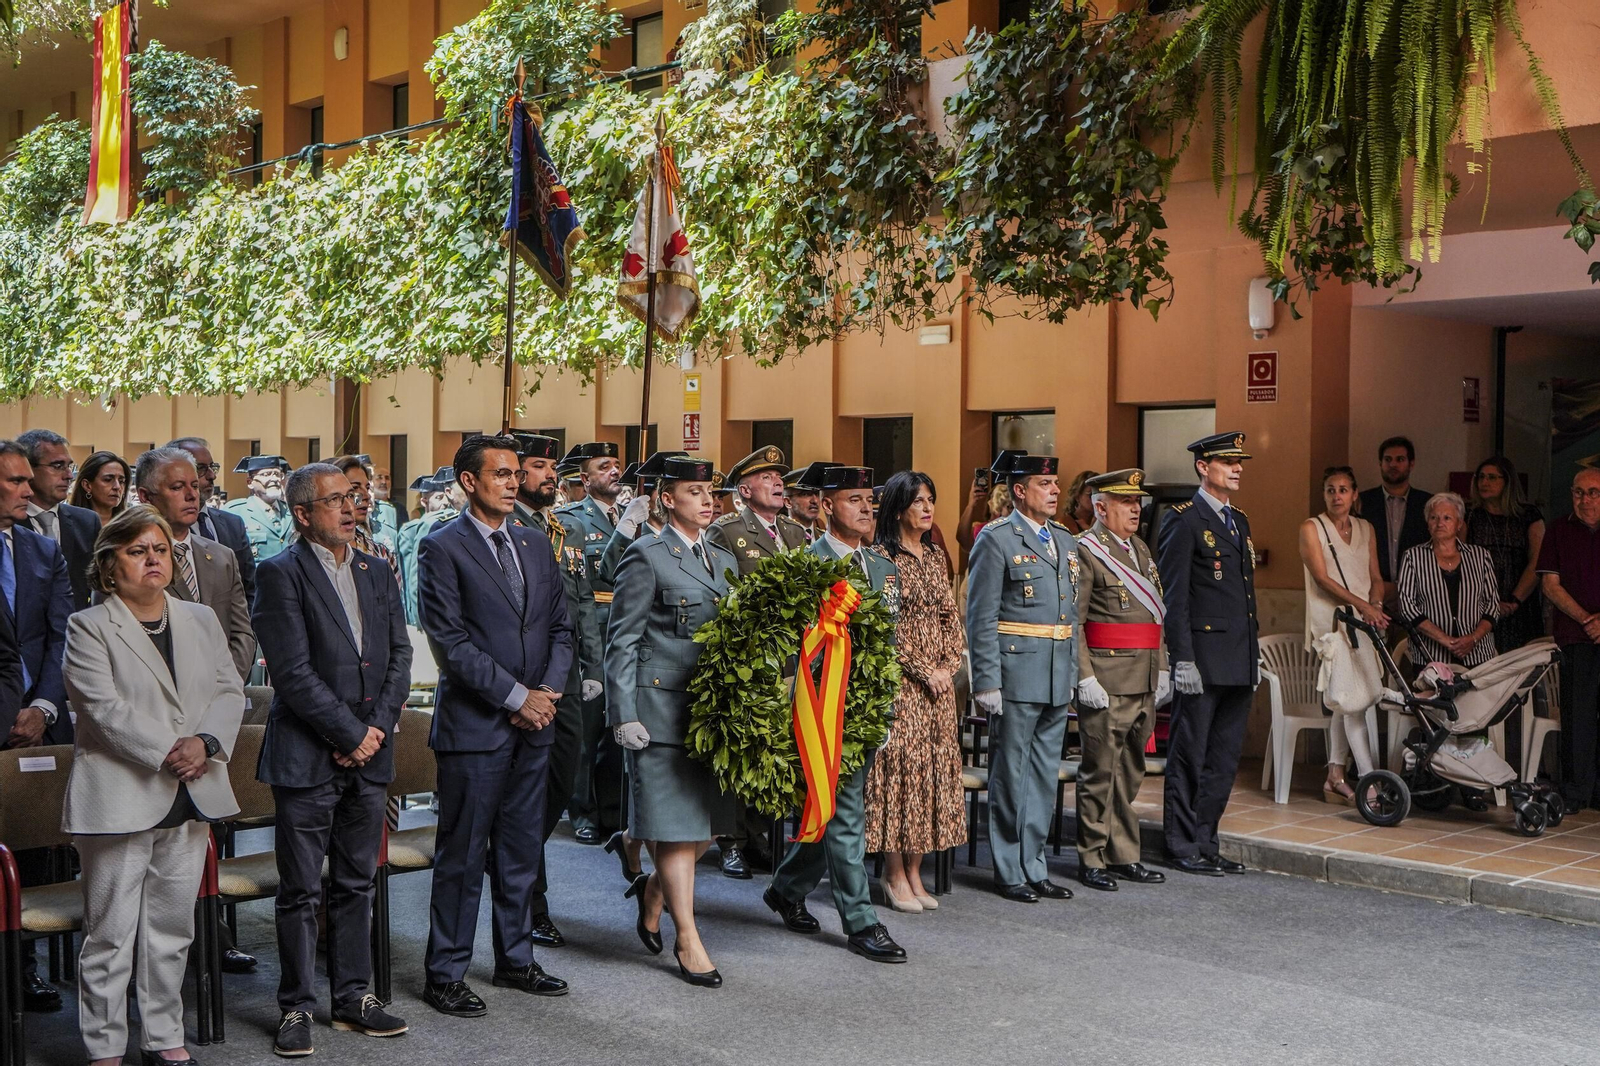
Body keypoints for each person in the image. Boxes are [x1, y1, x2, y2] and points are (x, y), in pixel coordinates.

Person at [62, 506, 245, 1066]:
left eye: (160, 550)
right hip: (120, 794)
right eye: (137, 551)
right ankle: (104, 1046)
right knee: (110, 935)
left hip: (192, 790)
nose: (152, 560)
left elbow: (229, 690)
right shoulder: (89, 626)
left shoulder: (198, 618)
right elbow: (103, 710)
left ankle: (164, 1037)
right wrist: (174, 750)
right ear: (109, 566)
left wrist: (207, 744)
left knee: (171, 928)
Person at [253, 463, 412, 1056]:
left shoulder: (376, 568)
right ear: (302, 514)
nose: (351, 508)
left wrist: (376, 729)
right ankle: (296, 1005)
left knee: (356, 881)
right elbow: (291, 673)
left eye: (353, 497)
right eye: (335, 501)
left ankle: (353, 997)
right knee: (300, 890)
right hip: (308, 756)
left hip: (371, 752)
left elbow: (399, 653)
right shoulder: (279, 574)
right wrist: (349, 733)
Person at [417, 435, 573, 1017]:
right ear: (468, 481)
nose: (513, 482)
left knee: (520, 851)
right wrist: (517, 696)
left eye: (515, 474)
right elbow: (451, 645)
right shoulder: (442, 548)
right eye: (501, 474)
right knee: (462, 854)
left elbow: (561, 628)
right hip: (477, 728)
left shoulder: (535, 544)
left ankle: (515, 958)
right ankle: (446, 973)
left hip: (537, 723)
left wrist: (546, 694)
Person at [605, 456, 737, 987]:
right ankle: (688, 938)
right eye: (693, 492)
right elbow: (623, 639)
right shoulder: (646, 556)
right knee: (680, 834)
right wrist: (623, 713)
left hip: (712, 714)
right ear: (666, 499)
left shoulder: (723, 560)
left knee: (705, 829)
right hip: (660, 711)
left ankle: (655, 888)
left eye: (710, 492)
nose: (707, 500)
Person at [765, 465, 906, 961]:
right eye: (854, 500)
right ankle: (861, 921)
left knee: (829, 808)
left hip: (865, 707)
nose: (867, 509)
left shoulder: (884, 568)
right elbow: (789, 645)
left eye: (870, 500)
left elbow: (887, 646)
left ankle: (785, 888)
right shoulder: (806, 565)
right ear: (826, 507)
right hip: (819, 705)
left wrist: (884, 712)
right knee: (847, 812)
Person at [966, 452, 1077, 903]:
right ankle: (1009, 868)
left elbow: (1071, 613)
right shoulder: (996, 539)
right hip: (1015, 673)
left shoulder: (1065, 541)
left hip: (1053, 673)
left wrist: (1072, 673)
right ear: (1018, 491)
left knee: (1043, 775)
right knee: (1010, 774)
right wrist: (986, 681)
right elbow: (981, 616)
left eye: (1055, 484)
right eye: (1044, 484)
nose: (1054, 491)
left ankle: (1035, 865)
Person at [510, 432, 602, 947]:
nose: (550, 474)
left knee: (560, 784)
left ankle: (509, 858)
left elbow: (582, 599)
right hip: (525, 680)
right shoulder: (509, 528)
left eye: (552, 466)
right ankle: (529, 899)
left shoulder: (557, 527)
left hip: (565, 675)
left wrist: (590, 665)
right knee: (527, 793)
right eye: (540, 465)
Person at [862, 470, 966, 910]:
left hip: (940, 689)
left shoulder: (936, 555)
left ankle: (916, 873)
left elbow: (949, 616)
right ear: (899, 507)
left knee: (933, 777)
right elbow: (885, 628)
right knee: (901, 777)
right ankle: (893, 873)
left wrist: (950, 665)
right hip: (902, 684)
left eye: (931, 500)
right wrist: (925, 669)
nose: (928, 508)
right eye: (919, 501)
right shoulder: (881, 558)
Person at [1157, 432, 1260, 877]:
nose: (1237, 468)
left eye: (1240, 462)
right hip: (1201, 660)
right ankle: (1181, 844)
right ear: (1203, 466)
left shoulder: (1239, 520)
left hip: (1237, 658)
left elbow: (1246, 599)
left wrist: (1252, 657)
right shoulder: (1184, 519)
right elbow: (1174, 598)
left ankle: (1206, 839)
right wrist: (1182, 659)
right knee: (1189, 755)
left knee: (1223, 759)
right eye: (1227, 461)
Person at [707, 445, 808, 878]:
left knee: (773, 749)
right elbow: (722, 595)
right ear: (744, 491)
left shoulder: (795, 533)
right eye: (767, 478)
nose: (777, 483)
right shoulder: (727, 532)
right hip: (747, 657)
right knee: (740, 748)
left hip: (788, 659)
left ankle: (760, 835)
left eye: (779, 477)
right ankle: (731, 841)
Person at [0, 438, 74, 1012]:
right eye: (15, 482)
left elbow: (61, 638)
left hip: (39, 720)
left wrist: (43, 707)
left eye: (30, 479)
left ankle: (23, 970)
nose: (30, 491)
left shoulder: (42, 551)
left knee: (30, 851)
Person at [1072, 469, 1169, 891]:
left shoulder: (1141, 549)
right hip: (1108, 679)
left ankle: (1123, 853)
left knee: (1130, 772)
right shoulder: (1087, 552)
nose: (1136, 509)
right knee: (1100, 772)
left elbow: (1155, 615)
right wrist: (1085, 677)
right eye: (1127, 503)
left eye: (1137, 502)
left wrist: (1162, 666)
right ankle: (1092, 856)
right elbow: (1074, 623)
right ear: (1100, 507)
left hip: (1142, 676)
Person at [1298, 466, 1387, 805]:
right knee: (1353, 705)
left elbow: (1376, 576)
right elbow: (1321, 578)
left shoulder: (1366, 528)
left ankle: (1335, 776)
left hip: (1364, 624)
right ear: (1324, 495)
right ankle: (1370, 783)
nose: (1337, 496)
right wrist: (1364, 606)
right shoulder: (1312, 528)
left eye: (1344, 489)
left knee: (1346, 702)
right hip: (1332, 627)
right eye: (1331, 490)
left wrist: (1375, 604)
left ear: (1354, 495)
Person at [553, 441, 626, 848]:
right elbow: (598, 578)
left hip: (628, 632)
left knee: (619, 727)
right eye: (604, 466)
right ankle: (583, 810)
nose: (614, 471)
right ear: (586, 478)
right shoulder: (572, 520)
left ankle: (613, 811)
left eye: (616, 465)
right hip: (594, 628)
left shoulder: (636, 516)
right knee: (589, 728)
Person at [136, 449, 257, 684]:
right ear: (146, 496)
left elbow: (242, 632)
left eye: (193, 485)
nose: (192, 495)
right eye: (177, 487)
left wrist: (226, 686)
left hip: (222, 696)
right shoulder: (128, 560)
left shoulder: (222, 557)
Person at [1537, 468, 1600, 813]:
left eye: (1593, 492)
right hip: (1576, 637)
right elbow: (1549, 585)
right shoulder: (1558, 530)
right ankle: (1576, 792)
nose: (1585, 499)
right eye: (1579, 492)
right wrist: (1588, 620)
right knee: (1578, 716)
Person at [1397, 493, 1500, 672]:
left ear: (1459, 524)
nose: (1439, 523)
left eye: (1447, 518)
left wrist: (1473, 638)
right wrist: (1446, 640)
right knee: (1434, 700)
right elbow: (1407, 607)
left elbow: (1492, 604)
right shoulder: (1412, 557)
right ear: (1427, 523)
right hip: (1430, 657)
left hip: (1478, 655)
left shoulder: (1480, 556)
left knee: (1478, 700)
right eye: (1433, 517)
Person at [1467, 456, 1546, 654]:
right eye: (1481, 477)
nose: (1484, 482)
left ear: (1507, 481)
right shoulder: (1470, 515)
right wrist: (1490, 604)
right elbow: (1462, 560)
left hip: (1521, 605)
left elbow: (1538, 561)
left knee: (1522, 668)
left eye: (1492, 478)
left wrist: (1514, 600)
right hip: (1479, 607)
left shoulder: (1528, 515)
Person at [18, 428, 102, 611]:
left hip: (74, 632)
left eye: (69, 466)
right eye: (57, 466)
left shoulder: (87, 522)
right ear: (27, 469)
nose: (69, 476)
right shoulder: (7, 524)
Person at [167, 437, 257, 606]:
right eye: (200, 468)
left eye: (212, 467)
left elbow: (249, 588)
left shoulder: (232, 524)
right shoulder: (162, 529)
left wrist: (244, 631)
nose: (212, 475)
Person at [1358, 436, 1433, 611]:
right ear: (1380, 463)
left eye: (1400, 459)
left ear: (1411, 464)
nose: (1393, 465)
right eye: (1388, 459)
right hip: (1371, 596)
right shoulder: (1362, 502)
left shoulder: (1428, 504)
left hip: (1418, 597)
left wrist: (1401, 587)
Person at [396, 468, 460, 626]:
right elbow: (414, 577)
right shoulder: (431, 524)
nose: (444, 502)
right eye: (439, 497)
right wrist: (419, 620)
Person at [333, 454, 399, 574]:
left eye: (367, 488)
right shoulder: (314, 553)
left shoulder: (380, 553)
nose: (366, 496)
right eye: (355, 488)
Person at [223, 455, 295, 562]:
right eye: (266, 474)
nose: (274, 479)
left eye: (277, 474)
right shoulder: (235, 512)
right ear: (250, 482)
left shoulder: (292, 511)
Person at [70, 451, 130, 525]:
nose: (117, 487)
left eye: (121, 481)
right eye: (108, 480)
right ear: (87, 485)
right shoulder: (69, 525)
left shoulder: (132, 527)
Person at [783, 462, 828, 542]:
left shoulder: (824, 539)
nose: (815, 501)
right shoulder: (781, 536)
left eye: (817, 494)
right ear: (788, 502)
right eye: (806, 494)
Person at [1061, 469, 1099, 537]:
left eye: (1099, 495)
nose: (1096, 500)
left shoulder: (1102, 520)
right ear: (1077, 497)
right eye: (1091, 495)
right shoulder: (1065, 523)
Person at [369, 465, 399, 543]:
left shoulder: (398, 508)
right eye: (379, 478)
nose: (384, 482)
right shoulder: (367, 507)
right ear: (371, 482)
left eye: (387, 478)